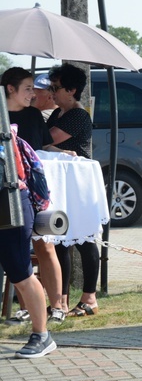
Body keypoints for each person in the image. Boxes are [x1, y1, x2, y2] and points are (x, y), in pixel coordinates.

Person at [1, 67, 71, 323]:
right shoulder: (1, 114)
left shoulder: (33, 116)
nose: (34, 94)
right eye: (28, 88)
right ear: (11, 88)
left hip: (33, 193)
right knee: (18, 259)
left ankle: (57, 306)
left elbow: (41, 147)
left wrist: (63, 152)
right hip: (6, 194)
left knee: (45, 245)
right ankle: (30, 306)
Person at [46, 64, 100, 317]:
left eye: (56, 88)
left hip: (78, 183)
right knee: (60, 240)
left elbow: (48, 138)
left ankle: (90, 297)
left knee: (85, 239)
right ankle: (62, 300)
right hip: (62, 182)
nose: (52, 92)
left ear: (72, 90)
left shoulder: (78, 116)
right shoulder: (57, 112)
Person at [0, 125, 57, 357]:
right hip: (9, 202)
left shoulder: (5, 132)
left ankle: (42, 335)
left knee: (21, 273)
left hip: (10, 203)